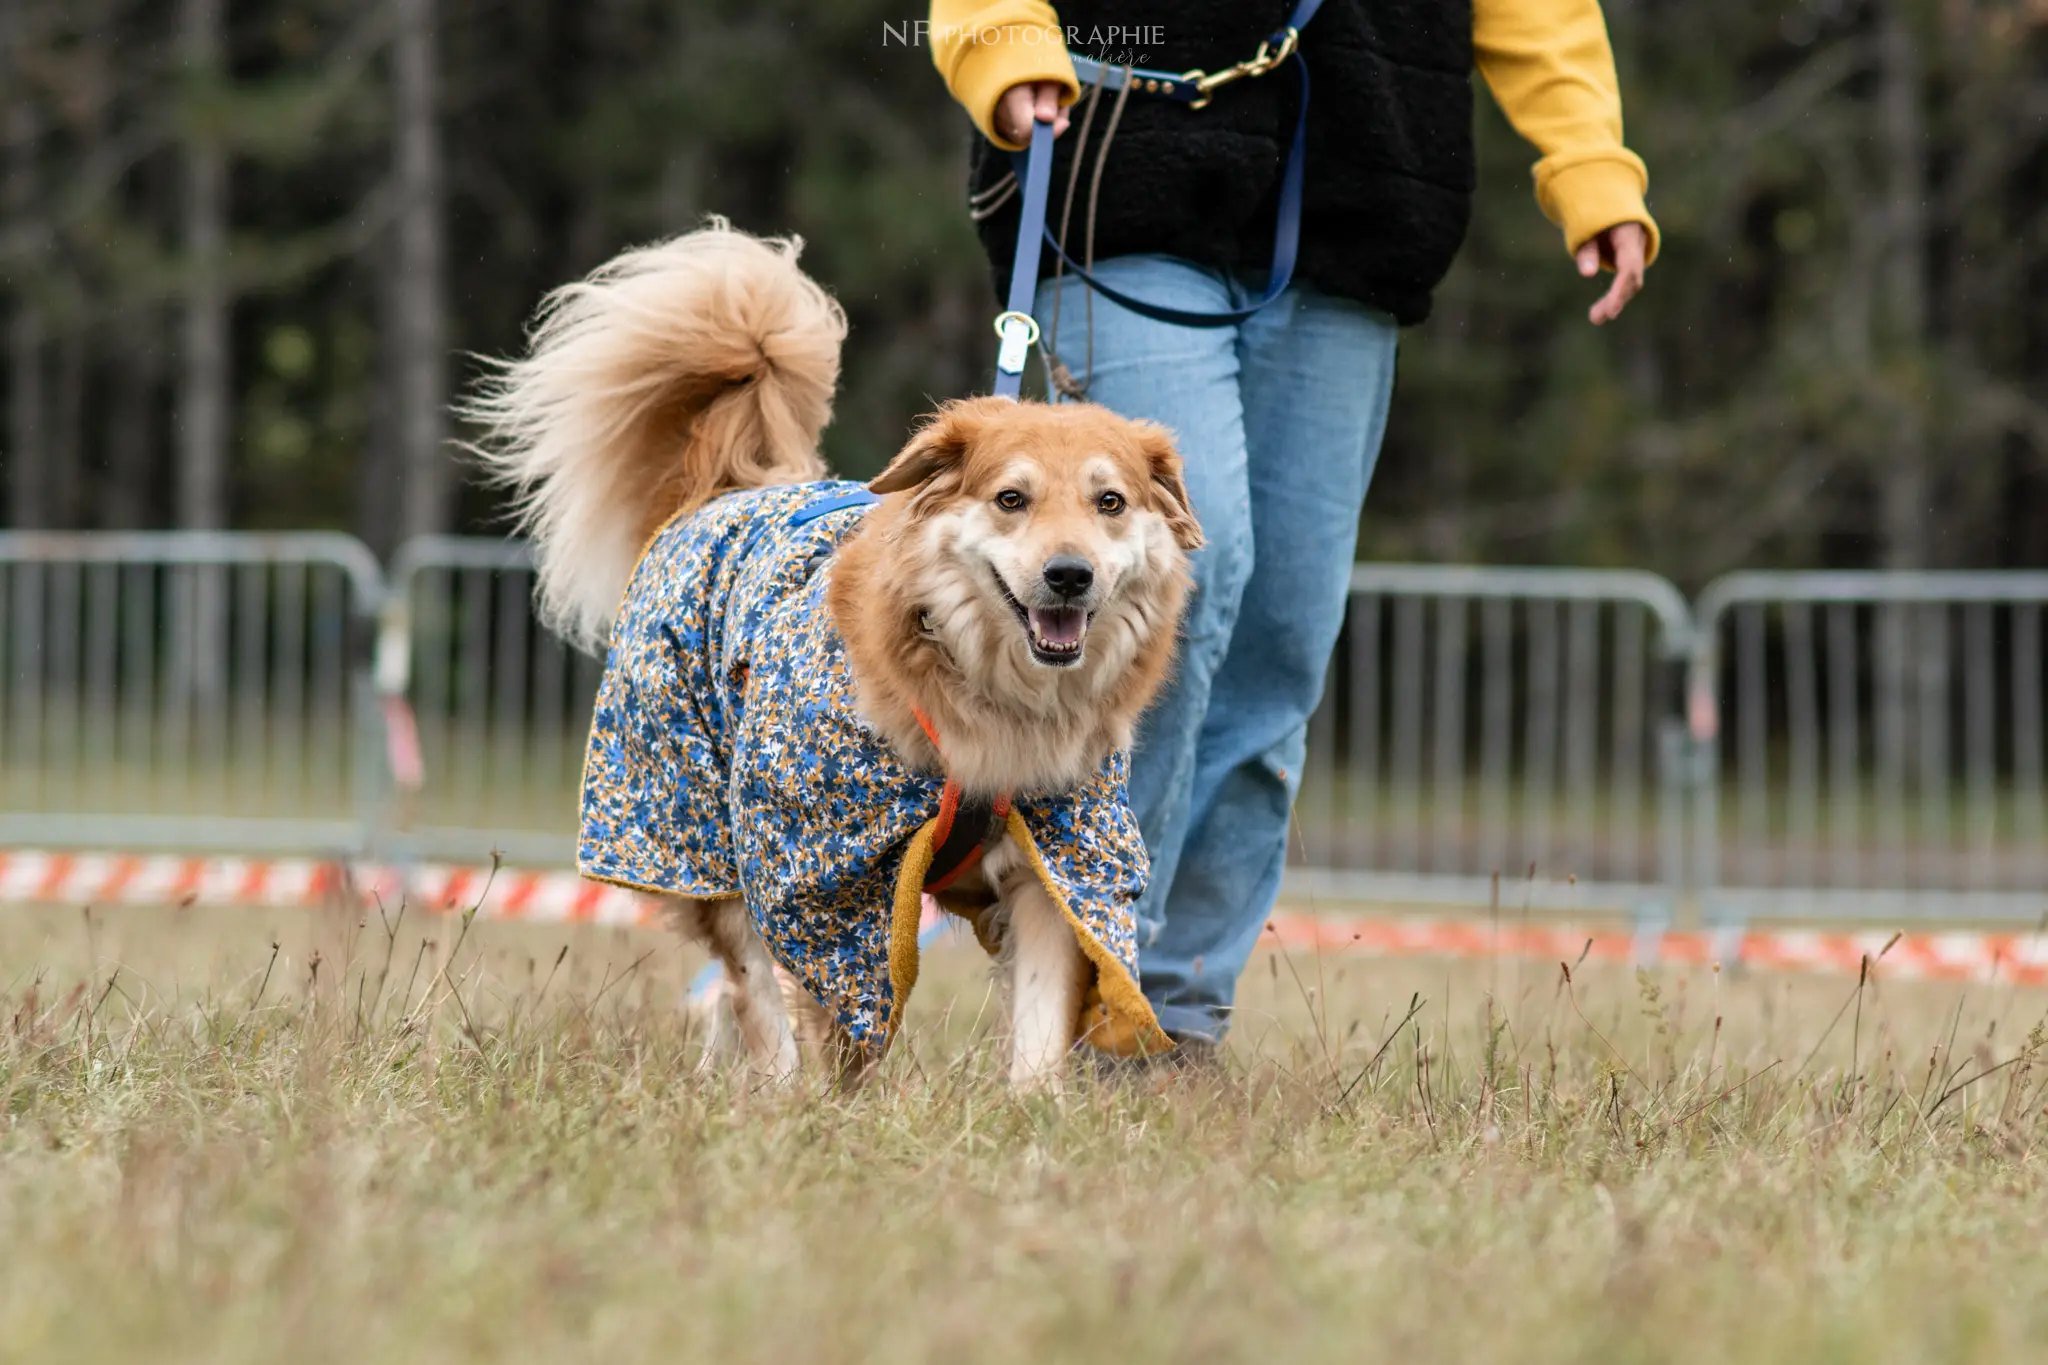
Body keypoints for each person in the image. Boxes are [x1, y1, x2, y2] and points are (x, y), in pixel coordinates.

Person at [927, 0, 1657, 1049]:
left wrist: (1590, 165)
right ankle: (1090, 982)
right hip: (1132, 177)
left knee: (1280, 635)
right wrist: (998, 40)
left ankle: (1176, 1018)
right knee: (1180, 573)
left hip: (1360, 216)